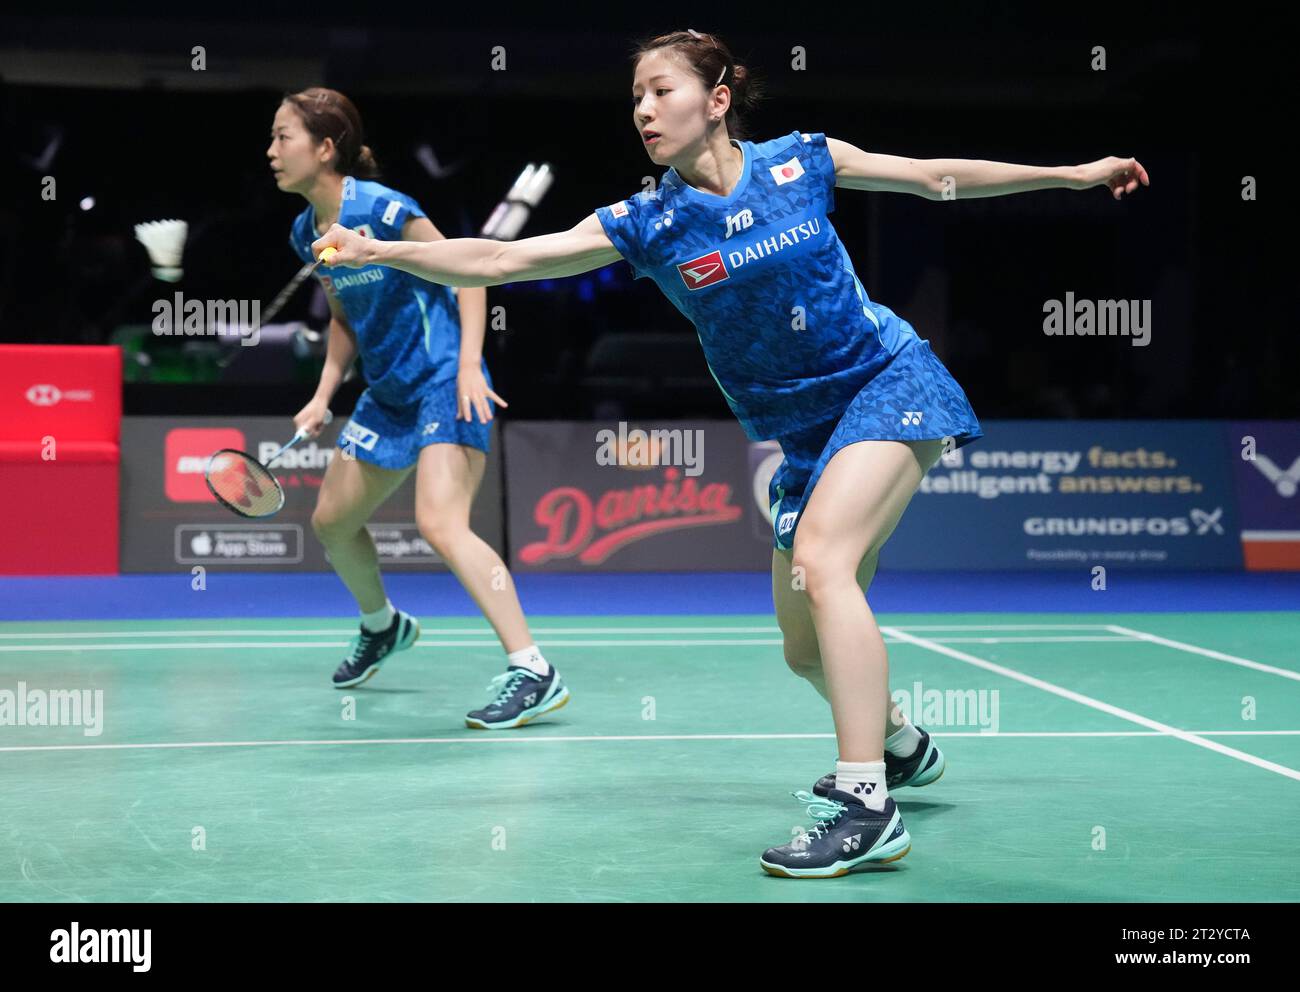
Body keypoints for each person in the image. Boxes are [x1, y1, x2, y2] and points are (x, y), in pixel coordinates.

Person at [309, 31, 1149, 876]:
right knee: (802, 649)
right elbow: (504, 257)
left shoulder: (801, 163)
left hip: (888, 383)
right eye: (635, 96)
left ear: (716, 101)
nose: (643, 109)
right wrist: (387, 253)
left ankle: (866, 806)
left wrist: (1071, 174)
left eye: (661, 90)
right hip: (803, 437)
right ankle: (897, 744)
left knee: (825, 561)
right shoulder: (650, 223)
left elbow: (936, 175)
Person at [269, 86, 569, 729]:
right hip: (390, 393)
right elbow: (344, 317)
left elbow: (469, 268)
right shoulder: (306, 232)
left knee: (441, 521)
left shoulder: (382, 209)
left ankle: (533, 668)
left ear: (325, 149)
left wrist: (467, 363)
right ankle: (382, 626)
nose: (272, 151)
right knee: (330, 524)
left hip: (444, 378)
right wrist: (324, 394)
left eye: (283, 137)